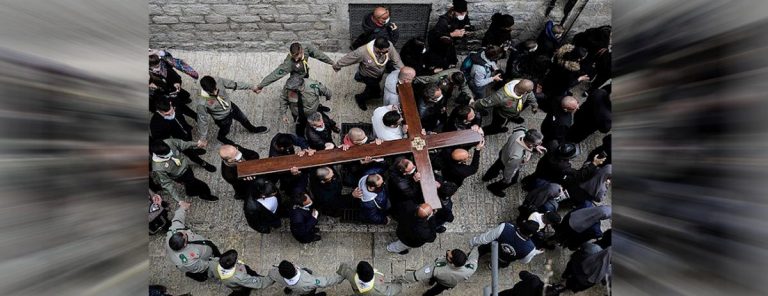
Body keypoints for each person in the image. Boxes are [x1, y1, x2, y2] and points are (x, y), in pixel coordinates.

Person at [333, 36, 404, 111]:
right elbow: (349, 58)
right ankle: (360, 98)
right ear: (377, 48)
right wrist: (337, 65)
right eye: (385, 52)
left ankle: (369, 92)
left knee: (373, 90)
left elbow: (396, 60)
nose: (387, 52)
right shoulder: (362, 52)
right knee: (375, 93)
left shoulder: (388, 46)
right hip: (368, 76)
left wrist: (404, 70)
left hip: (379, 74)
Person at [196, 76, 268, 145]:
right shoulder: (202, 103)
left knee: (243, 118)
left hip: (231, 107)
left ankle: (253, 129)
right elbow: (202, 120)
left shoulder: (218, 80)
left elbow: (234, 84)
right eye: (211, 92)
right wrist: (203, 139)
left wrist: (251, 87)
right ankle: (221, 137)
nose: (215, 93)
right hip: (222, 118)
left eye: (215, 89)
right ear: (205, 90)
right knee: (225, 129)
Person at [150, 100, 216, 172]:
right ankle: (202, 163)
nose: (171, 114)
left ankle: (193, 150)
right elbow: (162, 142)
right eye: (167, 114)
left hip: (187, 130)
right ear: (159, 111)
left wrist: (197, 118)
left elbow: (187, 110)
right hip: (179, 141)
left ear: (170, 103)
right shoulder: (155, 124)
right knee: (190, 154)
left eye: (172, 111)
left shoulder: (175, 103)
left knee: (190, 142)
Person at [166, 201, 221, 282]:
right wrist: (216, 263)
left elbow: (177, 220)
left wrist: (182, 208)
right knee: (203, 275)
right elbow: (202, 266)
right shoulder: (188, 261)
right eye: (185, 236)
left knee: (214, 249)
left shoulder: (173, 232)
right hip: (206, 260)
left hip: (206, 244)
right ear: (185, 244)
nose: (185, 232)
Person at [481, 128, 545, 197]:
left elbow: (517, 129)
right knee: (513, 180)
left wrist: (535, 146)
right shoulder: (518, 156)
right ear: (530, 143)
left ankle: (487, 177)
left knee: (497, 165)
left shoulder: (521, 132)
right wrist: (507, 180)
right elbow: (509, 170)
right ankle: (493, 188)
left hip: (504, 153)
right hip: (508, 162)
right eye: (537, 143)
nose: (540, 144)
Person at [151, 139, 219, 202]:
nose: (171, 153)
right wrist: (179, 200)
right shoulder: (158, 167)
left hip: (187, 168)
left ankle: (190, 192)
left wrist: (196, 144)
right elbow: (167, 183)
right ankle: (206, 195)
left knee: (189, 183)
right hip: (180, 176)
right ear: (159, 155)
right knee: (202, 186)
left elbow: (182, 144)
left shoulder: (169, 142)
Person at [255, 42, 335, 93]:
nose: (296, 59)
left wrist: (332, 63)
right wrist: (260, 85)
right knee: (301, 94)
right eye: (294, 56)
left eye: (298, 55)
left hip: (305, 73)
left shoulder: (307, 49)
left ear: (302, 51)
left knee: (311, 89)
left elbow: (319, 55)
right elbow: (276, 74)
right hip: (296, 79)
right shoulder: (289, 63)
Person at [402, 248, 479, 295]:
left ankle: (430, 284)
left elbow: (418, 275)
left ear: (452, 263)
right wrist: (476, 246)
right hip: (448, 283)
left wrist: (405, 278)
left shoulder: (439, 269)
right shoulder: (471, 268)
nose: (448, 251)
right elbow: (474, 256)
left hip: (439, 276)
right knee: (437, 290)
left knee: (433, 278)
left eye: (449, 256)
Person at [473, 79, 537, 135]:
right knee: (496, 126)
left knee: (514, 115)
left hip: (514, 111)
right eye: (530, 91)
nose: (531, 92)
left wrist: (534, 105)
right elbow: (483, 103)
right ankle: (484, 132)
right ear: (525, 92)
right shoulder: (499, 97)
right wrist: (471, 108)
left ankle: (514, 117)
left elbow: (530, 95)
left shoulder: (523, 85)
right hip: (501, 115)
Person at [149, 49, 199, 121]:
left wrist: (177, 82)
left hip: (173, 88)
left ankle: (186, 100)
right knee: (180, 106)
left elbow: (170, 58)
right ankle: (194, 116)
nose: (159, 68)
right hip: (164, 95)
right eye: (156, 67)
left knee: (184, 96)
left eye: (159, 65)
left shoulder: (163, 63)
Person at [469, 220, 543, 268]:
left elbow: (485, 238)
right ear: (530, 235)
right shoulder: (530, 249)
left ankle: (472, 259)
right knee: (498, 264)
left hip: (493, 246)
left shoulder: (505, 227)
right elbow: (524, 261)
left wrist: (473, 242)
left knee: (482, 249)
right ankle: (491, 266)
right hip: (505, 259)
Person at [426, 0, 472, 72]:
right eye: (460, 13)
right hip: (439, 44)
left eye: (464, 12)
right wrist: (452, 34)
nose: (462, 14)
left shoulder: (464, 15)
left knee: (451, 61)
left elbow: (467, 24)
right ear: (454, 11)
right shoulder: (444, 21)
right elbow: (437, 35)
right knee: (439, 62)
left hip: (450, 44)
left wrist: (465, 30)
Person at [208, 249, 274, 295]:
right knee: (244, 290)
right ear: (233, 265)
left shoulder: (214, 262)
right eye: (236, 260)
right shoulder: (240, 277)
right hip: (240, 286)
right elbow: (259, 283)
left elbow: (211, 273)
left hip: (231, 283)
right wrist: (273, 277)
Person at [268, 260, 344, 296]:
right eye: (292, 263)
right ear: (294, 267)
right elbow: (325, 282)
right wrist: (343, 276)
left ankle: (289, 289)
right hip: (304, 290)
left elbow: (271, 274)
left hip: (291, 285)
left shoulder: (275, 273)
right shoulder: (308, 282)